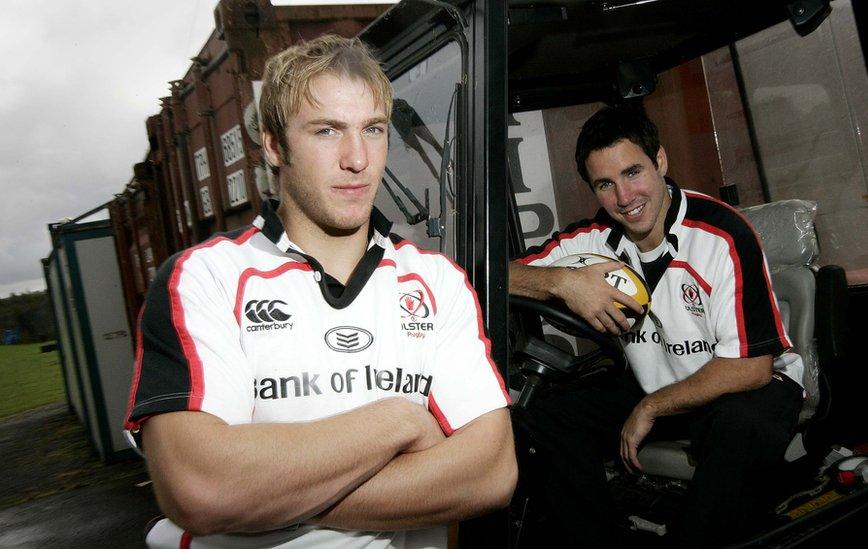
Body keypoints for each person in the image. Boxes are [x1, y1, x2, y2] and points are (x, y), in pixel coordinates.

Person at [124, 34, 516, 548]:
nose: (357, 159)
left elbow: (490, 475)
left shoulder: (437, 280)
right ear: (273, 145)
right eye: (327, 131)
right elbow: (202, 489)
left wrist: (263, 497)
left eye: (373, 129)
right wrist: (398, 422)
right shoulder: (204, 279)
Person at [509, 104, 804, 547]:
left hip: (741, 387)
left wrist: (650, 408)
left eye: (633, 173)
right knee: (542, 417)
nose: (624, 198)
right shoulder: (592, 240)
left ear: (661, 162)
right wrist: (561, 281)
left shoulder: (722, 234)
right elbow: (491, 276)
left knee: (740, 425)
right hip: (657, 382)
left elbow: (751, 367)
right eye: (605, 184)